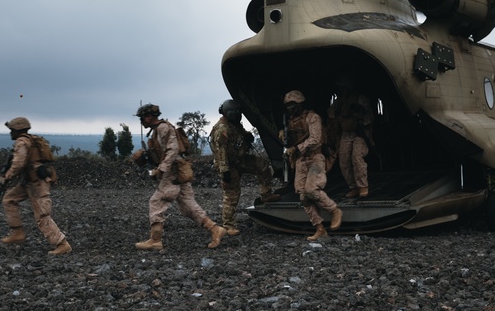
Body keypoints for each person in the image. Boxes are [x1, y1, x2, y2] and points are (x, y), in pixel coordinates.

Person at [133, 103, 226, 250]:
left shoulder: (163, 128)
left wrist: (161, 169)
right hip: (176, 169)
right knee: (188, 205)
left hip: (173, 171)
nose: (141, 122)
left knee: (156, 201)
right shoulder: (157, 130)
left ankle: (155, 240)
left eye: (142, 118)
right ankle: (215, 229)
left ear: (148, 117)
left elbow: (173, 149)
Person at [0, 117, 72, 255]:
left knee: (42, 216)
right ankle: (17, 231)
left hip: (36, 183)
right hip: (29, 183)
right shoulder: (31, 140)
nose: (10, 133)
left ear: (17, 130)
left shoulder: (22, 142)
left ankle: (62, 244)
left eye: (12, 130)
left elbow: (18, 163)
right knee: (9, 199)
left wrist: (6, 177)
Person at [209, 99, 280, 236]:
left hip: (239, 159)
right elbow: (221, 152)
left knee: (263, 165)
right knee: (232, 194)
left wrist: (248, 137)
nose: (239, 115)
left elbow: (243, 134)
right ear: (231, 113)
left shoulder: (234, 124)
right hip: (228, 165)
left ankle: (266, 194)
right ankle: (228, 226)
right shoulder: (222, 130)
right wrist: (225, 171)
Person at [283, 90, 342, 241]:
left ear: (300, 104)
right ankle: (319, 228)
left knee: (311, 189)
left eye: (292, 105)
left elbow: (316, 139)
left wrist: (296, 148)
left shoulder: (312, 117)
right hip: (301, 160)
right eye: (287, 105)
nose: (289, 108)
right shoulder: (289, 121)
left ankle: (334, 210)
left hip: (315, 157)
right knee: (303, 196)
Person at [330, 90, 374, 198]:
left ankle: (362, 186)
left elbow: (369, 116)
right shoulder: (339, 101)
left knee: (357, 157)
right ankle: (353, 187)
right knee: (344, 160)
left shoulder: (360, 99)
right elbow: (331, 113)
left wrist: (357, 116)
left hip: (360, 132)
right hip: (346, 132)